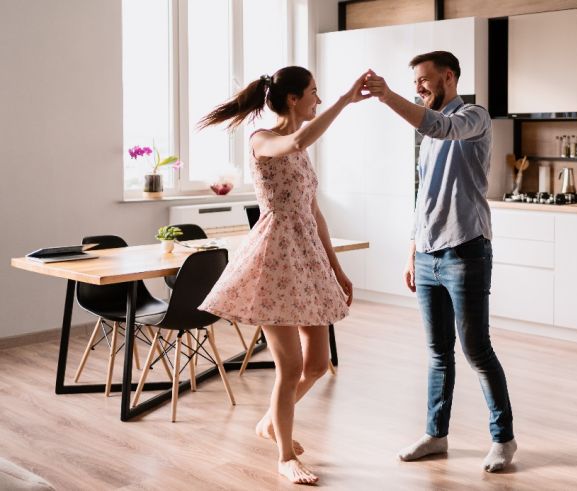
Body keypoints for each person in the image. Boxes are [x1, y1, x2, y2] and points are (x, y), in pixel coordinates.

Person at [197, 66, 370, 484]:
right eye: (314, 92)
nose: (319, 99)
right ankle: (284, 456)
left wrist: (337, 268)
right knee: (290, 368)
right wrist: (347, 99)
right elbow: (296, 140)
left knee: (318, 362)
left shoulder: (300, 148)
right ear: (293, 99)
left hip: (306, 258)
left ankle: (271, 421)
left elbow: (314, 212)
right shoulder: (263, 140)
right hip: (274, 262)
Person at [365, 51, 517, 472]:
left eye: (424, 80)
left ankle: (503, 439)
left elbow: (443, 126)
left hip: (466, 249)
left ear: (449, 77)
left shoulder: (474, 117)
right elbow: (425, 195)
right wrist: (413, 249)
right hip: (429, 254)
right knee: (437, 354)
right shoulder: (426, 131)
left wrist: (388, 96)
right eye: (414, 81)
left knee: (476, 350)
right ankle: (436, 434)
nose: (418, 87)